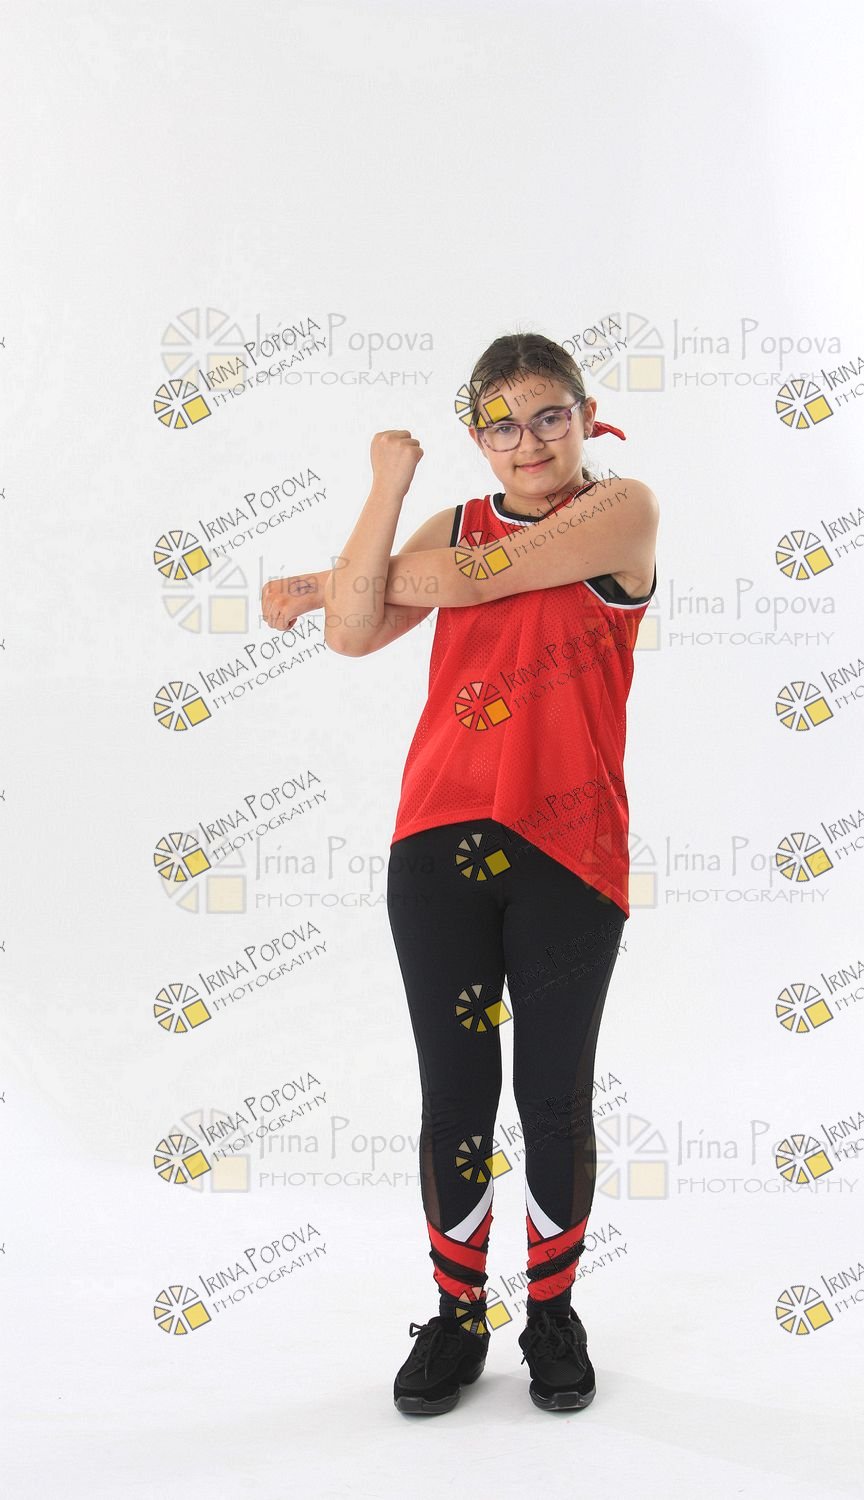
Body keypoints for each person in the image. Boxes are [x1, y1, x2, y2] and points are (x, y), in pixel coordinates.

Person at [262, 331, 659, 1416]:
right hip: (437, 845)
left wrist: (324, 579)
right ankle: (456, 1315)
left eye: (549, 416)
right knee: (456, 1095)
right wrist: (388, 487)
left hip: (571, 851)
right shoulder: (445, 523)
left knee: (554, 1093)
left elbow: (489, 574)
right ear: (475, 438)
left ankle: (552, 1313)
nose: (528, 442)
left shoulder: (621, 510)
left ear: (586, 417)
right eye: (501, 425)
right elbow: (352, 633)